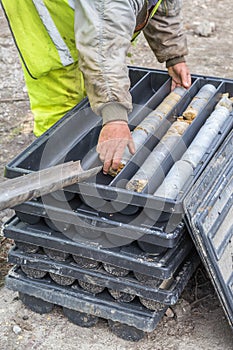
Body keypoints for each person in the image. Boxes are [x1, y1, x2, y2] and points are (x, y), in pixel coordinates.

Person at [1, 0, 191, 174]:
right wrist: (114, 116)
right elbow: (103, 38)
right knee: (63, 114)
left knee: (100, 84)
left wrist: (173, 53)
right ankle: (54, 182)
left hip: (100, 16)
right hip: (52, 17)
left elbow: (159, 3)